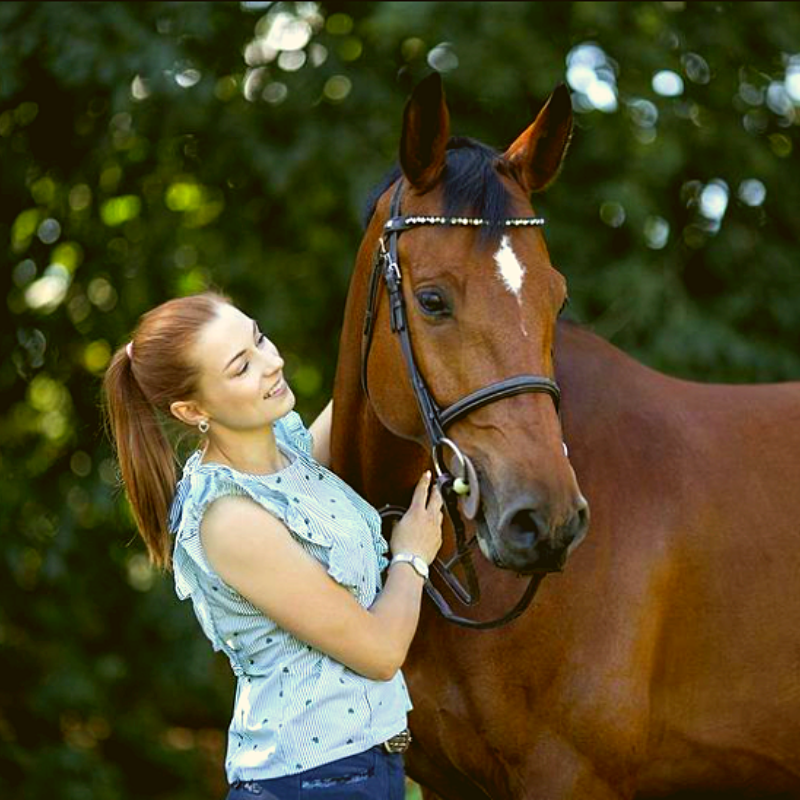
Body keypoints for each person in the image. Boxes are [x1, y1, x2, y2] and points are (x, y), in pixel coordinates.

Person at [102, 290, 444, 799]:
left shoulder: (285, 450)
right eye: (242, 366)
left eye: (259, 338)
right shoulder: (228, 518)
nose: (272, 362)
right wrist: (412, 555)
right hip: (314, 782)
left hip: (362, 770)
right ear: (192, 409)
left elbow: (361, 395)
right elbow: (380, 652)